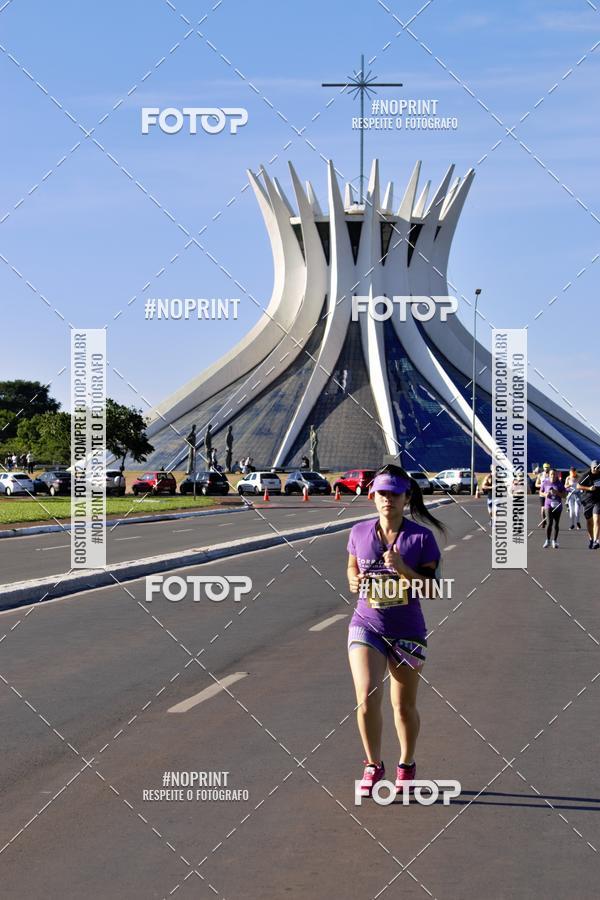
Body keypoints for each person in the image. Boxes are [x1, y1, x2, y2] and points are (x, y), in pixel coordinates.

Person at [346, 464, 445, 798]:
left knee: (403, 707)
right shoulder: (359, 532)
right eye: (382, 494)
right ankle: (373, 765)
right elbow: (351, 565)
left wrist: (404, 569)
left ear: (406, 498)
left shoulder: (421, 538)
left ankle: (407, 763)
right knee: (366, 698)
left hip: (407, 630)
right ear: (372, 496)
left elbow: (432, 590)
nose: (387, 499)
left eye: (394, 494)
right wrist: (352, 579)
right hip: (366, 624)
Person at [540, 468, 566, 549]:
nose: (553, 476)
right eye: (551, 474)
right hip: (548, 505)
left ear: (557, 475)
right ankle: (547, 540)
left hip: (557, 506)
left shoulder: (560, 483)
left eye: (554, 474)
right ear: (549, 475)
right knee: (549, 523)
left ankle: (554, 541)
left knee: (556, 524)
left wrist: (557, 492)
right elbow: (540, 492)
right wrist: (545, 495)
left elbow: (564, 496)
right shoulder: (545, 482)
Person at [578, 460, 600, 549]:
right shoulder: (586, 475)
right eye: (594, 467)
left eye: (598, 467)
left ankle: (596, 541)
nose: (596, 469)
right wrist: (589, 488)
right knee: (589, 522)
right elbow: (578, 486)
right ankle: (591, 538)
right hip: (587, 500)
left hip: (598, 500)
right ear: (591, 467)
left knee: (597, 520)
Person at [564, 467, 582, 531]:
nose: (573, 474)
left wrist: (580, 488)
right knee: (572, 511)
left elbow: (582, 484)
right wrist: (569, 485)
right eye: (571, 472)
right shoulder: (568, 478)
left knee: (577, 510)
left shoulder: (579, 477)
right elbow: (565, 486)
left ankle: (578, 522)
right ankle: (572, 524)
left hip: (577, 495)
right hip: (570, 495)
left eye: (574, 472)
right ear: (570, 472)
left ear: (575, 471)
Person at [535, 463, 551, 527]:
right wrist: (542, 485)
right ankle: (543, 521)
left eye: (547, 467)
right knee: (543, 508)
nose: (546, 468)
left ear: (549, 468)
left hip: (549, 493)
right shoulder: (540, 475)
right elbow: (536, 484)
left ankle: (549, 520)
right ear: (543, 467)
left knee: (549, 508)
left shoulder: (551, 474)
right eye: (545, 467)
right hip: (542, 493)